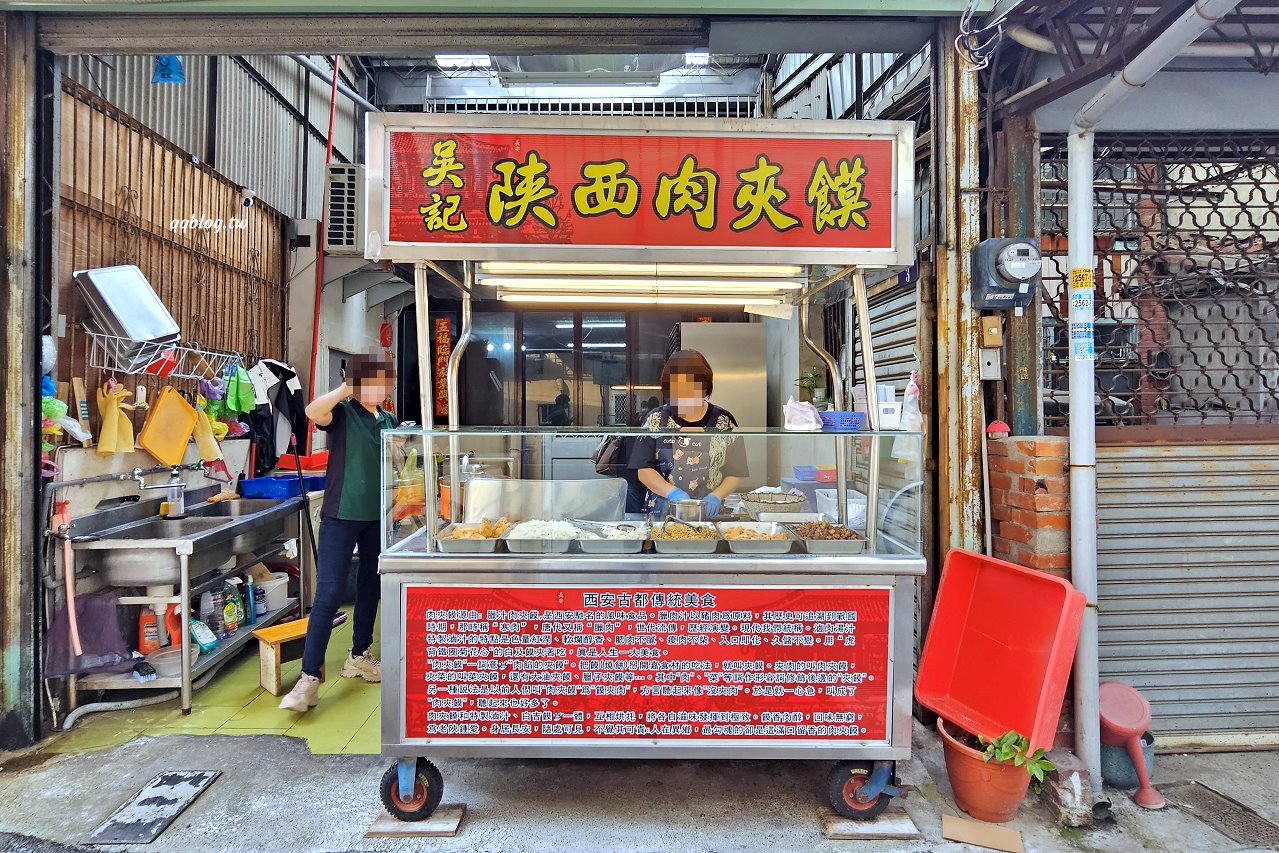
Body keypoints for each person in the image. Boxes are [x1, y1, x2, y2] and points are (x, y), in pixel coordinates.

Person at [280, 354, 398, 713]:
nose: (376, 389)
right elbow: (313, 412)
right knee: (329, 592)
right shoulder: (344, 413)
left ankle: (359, 655)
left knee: (370, 586)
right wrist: (349, 385)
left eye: (382, 382)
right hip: (340, 515)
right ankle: (309, 678)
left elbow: (399, 461)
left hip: (377, 517)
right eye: (370, 382)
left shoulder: (390, 420)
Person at [630, 350, 747, 519]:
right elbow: (644, 471)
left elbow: (737, 471)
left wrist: (716, 496)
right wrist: (673, 493)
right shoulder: (655, 420)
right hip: (661, 515)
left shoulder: (723, 422)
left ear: (704, 387)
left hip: (707, 515)